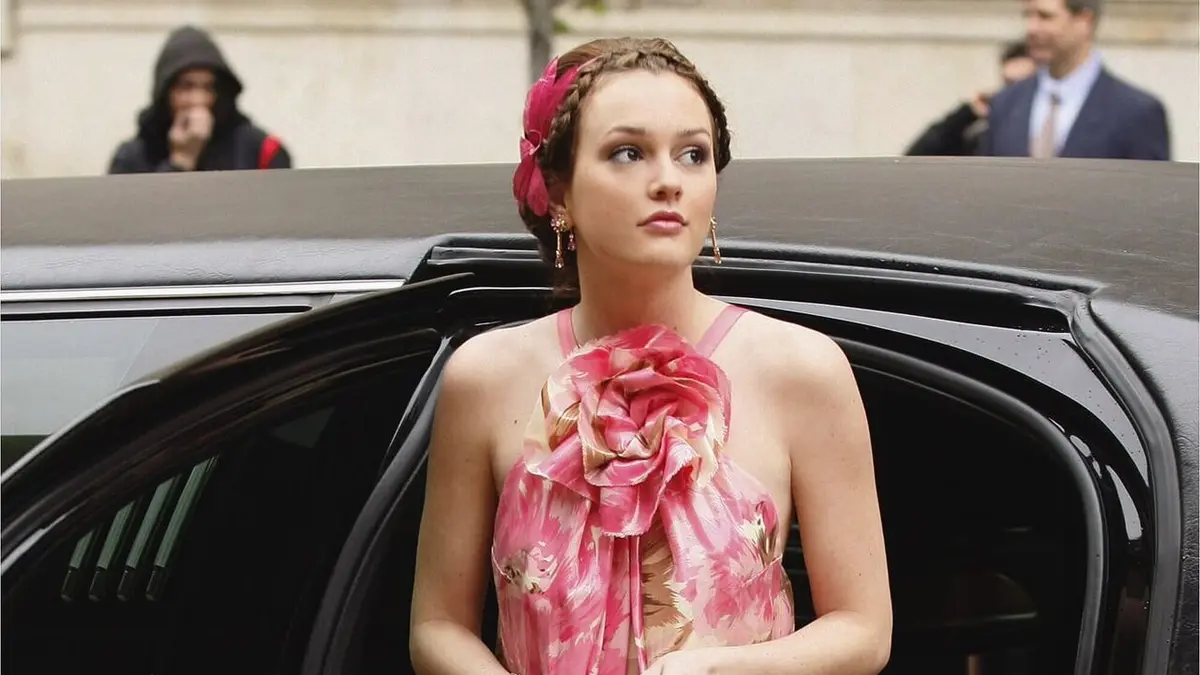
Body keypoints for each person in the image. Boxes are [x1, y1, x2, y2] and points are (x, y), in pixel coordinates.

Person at [409, 37, 892, 675]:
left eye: (693, 154)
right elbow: (437, 626)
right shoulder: (485, 376)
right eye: (628, 153)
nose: (668, 181)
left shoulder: (802, 370)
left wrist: (712, 671)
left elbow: (863, 629)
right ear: (559, 192)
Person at [979, 0, 1170, 160]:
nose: (1031, 28)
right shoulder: (1005, 104)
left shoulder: (1136, 113)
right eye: (1028, 16)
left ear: (1084, 21)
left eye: (1045, 17)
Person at [108, 25, 292, 174]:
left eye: (208, 88)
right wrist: (181, 160)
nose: (198, 99)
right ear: (165, 93)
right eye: (186, 87)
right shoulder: (132, 158)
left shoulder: (261, 151)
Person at [905, 40, 1036, 156]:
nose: (1014, 92)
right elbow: (918, 156)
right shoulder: (987, 138)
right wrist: (967, 113)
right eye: (1008, 83)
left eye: (1022, 85)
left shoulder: (1044, 136)